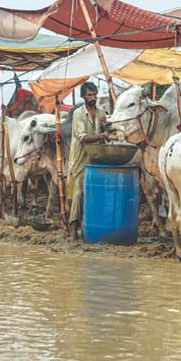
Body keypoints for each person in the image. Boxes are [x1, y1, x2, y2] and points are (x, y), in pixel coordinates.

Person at [67, 81, 108, 241]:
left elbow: (105, 131)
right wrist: (102, 135)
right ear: (83, 96)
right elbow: (82, 137)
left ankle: (89, 226)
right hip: (80, 158)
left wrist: (104, 127)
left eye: (94, 94)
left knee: (92, 192)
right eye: (89, 95)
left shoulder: (101, 111)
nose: (92, 98)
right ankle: (73, 227)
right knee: (78, 192)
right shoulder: (78, 114)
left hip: (96, 156)